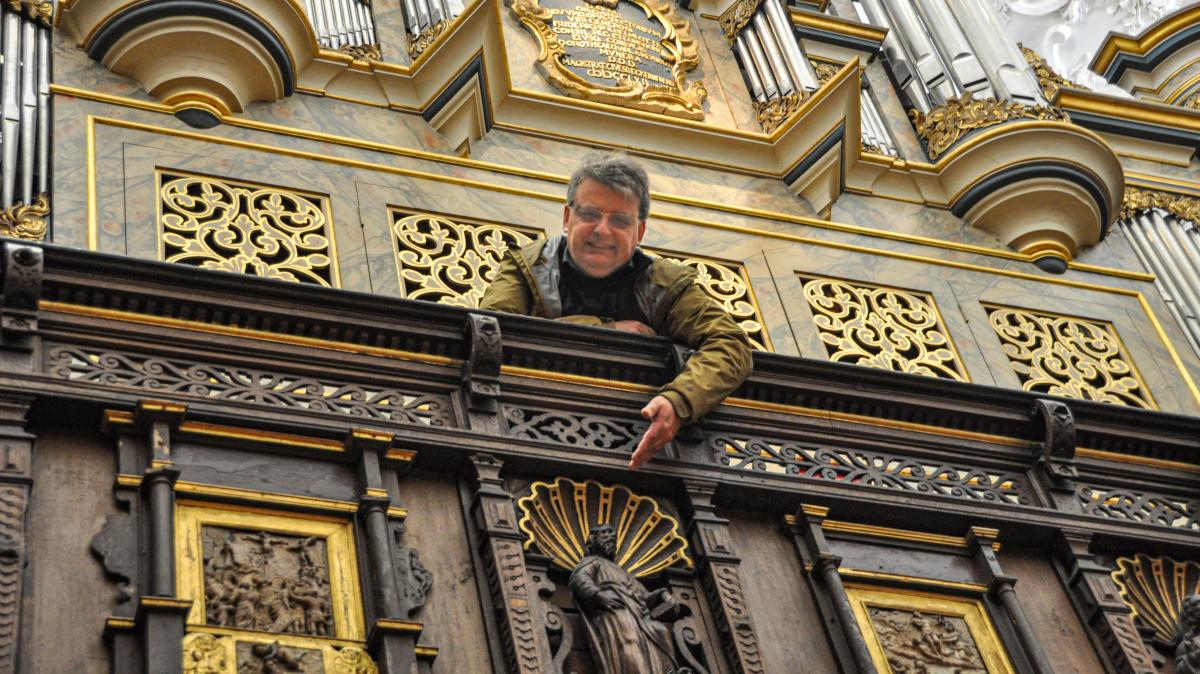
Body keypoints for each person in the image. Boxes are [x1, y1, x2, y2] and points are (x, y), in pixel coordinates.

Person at [479, 153, 753, 470]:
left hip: (640, 451)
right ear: (568, 218)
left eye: (620, 221)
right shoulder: (528, 266)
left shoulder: (664, 283)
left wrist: (679, 402)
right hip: (523, 431)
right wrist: (607, 329)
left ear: (640, 232)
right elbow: (492, 334)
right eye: (590, 214)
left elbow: (731, 344)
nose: (603, 231)